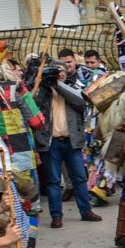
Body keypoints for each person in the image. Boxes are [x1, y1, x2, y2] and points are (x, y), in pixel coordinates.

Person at [36, 54, 99, 228]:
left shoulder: (74, 86)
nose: (59, 74)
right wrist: (45, 85)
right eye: (55, 71)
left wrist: (59, 85)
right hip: (50, 142)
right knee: (54, 181)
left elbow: (81, 103)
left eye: (61, 71)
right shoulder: (43, 90)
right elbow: (35, 105)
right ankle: (56, 216)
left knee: (79, 177)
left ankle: (85, 210)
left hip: (72, 141)